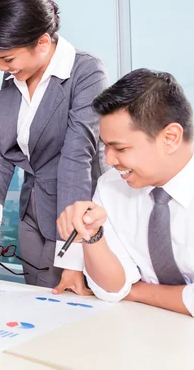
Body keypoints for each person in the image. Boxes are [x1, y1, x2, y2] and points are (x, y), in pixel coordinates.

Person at [0, 0, 109, 293]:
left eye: (7, 59)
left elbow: (77, 157)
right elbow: (0, 149)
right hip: (32, 214)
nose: (1, 69)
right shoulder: (13, 80)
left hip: (73, 218)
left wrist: (73, 256)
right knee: (34, 307)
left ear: (43, 42)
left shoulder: (86, 73)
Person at [57, 69, 194, 316]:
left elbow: (126, 292)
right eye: (105, 146)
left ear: (171, 138)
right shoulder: (111, 186)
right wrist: (93, 236)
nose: (109, 160)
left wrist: (137, 291)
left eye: (119, 148)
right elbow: (112, 289)